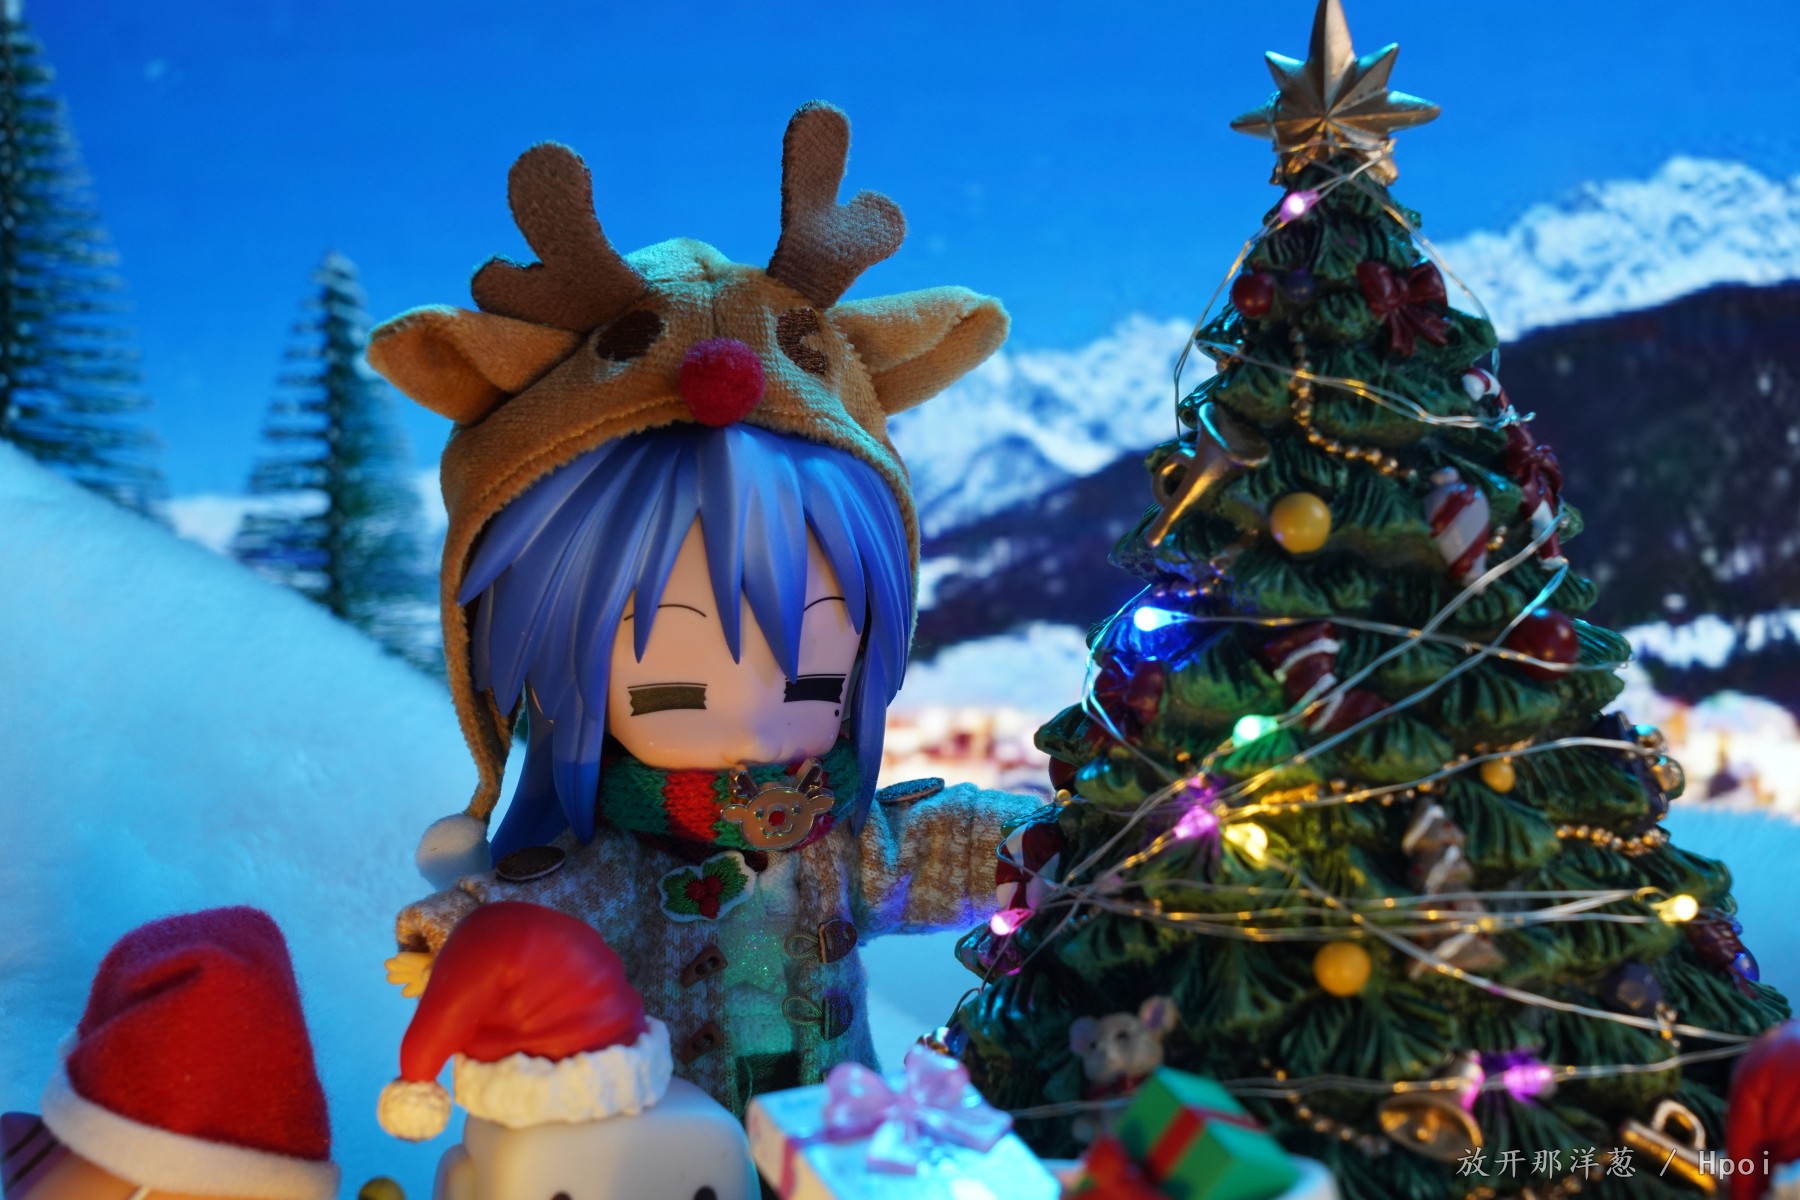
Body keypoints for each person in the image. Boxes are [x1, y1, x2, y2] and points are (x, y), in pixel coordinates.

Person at [370, 101, 1038, 1120]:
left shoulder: (840, 843)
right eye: (675, 690)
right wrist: (463, 933)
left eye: (814, 682)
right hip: (665, 1164)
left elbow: (943, 846)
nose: (760, 730)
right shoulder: (620, 870)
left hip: (833, 1155)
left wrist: (1060, 843)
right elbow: (538, 915)